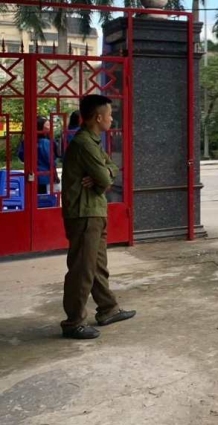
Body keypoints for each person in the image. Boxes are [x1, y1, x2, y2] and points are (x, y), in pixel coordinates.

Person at [60, 94, 135, 340]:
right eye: (110, 114)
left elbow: (111, 169)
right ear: (98, 117)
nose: (112, 119)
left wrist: (104, 174)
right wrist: (103, 176)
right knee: (82, 269)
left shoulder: (93, 142)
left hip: (94, 211)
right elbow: (105, 178)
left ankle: (108, 309)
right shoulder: (84, 144)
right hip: (84, 214)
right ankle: (73, 322)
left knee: (98, 266)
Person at [17, 117, 60, 194]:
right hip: (44, 176)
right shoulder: (46, 142)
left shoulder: (27, 141)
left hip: (31, 175)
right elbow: (50, 159)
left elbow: (21, 156)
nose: (50, 127)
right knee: (44, 200)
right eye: (47, 126)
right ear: (41, 128)